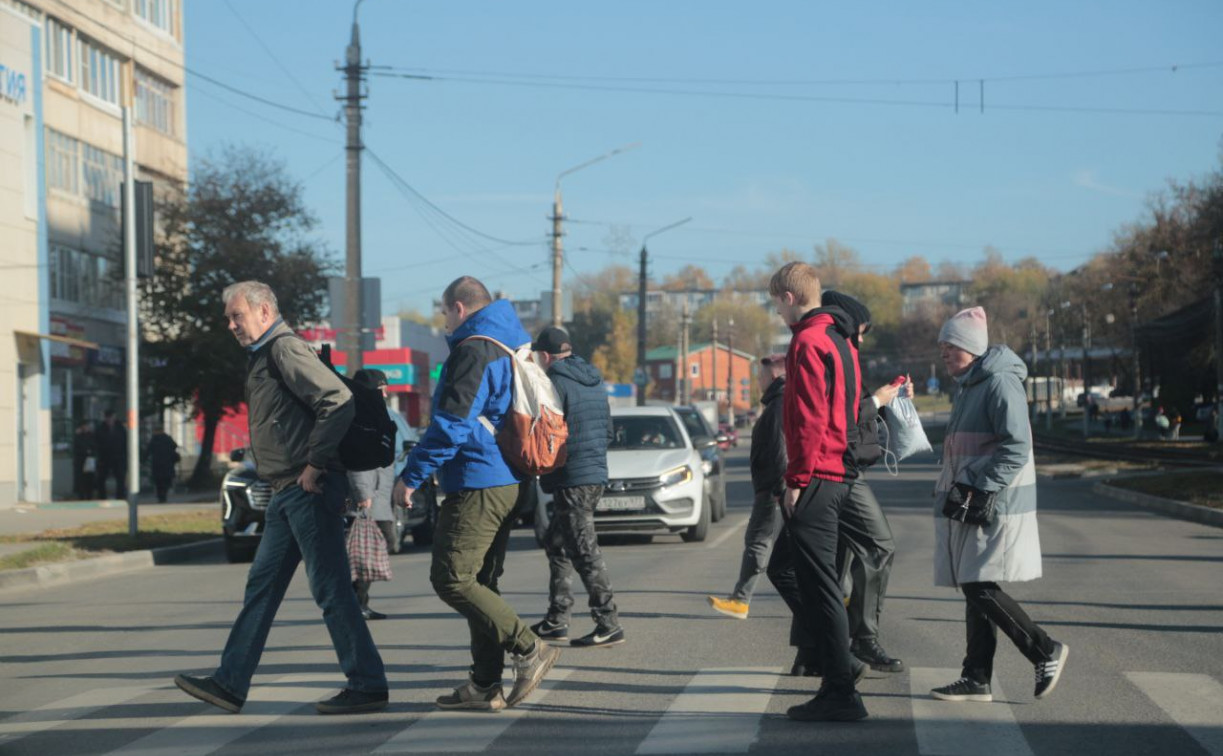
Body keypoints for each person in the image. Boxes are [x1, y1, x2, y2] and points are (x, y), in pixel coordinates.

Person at [174, 280, 388, 716]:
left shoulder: (284, 350)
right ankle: (229, 683)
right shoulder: (262, 357)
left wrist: (315, 463)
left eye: (237, 315)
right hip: (286, 491)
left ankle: (367, 684)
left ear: (265, 312)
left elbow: (338, 400)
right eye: (230, 316)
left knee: (330, 589)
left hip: (308, 487)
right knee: (262, 587)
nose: (230, 324)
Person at [393, 276, 560, 713]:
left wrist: (411, 476)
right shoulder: (507, 343)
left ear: (459, 308)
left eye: (444, 312)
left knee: (451, 577)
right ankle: (485, 684)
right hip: (505, 478)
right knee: (481, 581)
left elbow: (452, 424)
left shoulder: (475, 349)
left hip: (478, 480)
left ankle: (529, 649)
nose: (444, 321)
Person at [930, 307, 1068, 703]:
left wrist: (979, 486)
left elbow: (1016, 447)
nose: (943, 352)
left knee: (978, 584)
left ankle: (1043, 650)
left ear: (971, 348)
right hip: (974, 499)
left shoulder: (999, 383)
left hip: (994, 502)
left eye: (949, 345)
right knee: (976, 583)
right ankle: (976, 677)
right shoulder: (970, 385)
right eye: (941, 346)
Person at [767, 261, 868, 723]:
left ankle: (841, 690)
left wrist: (797, 480)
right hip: (836, 471)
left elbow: (808, 419)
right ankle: (839, 674)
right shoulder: (840, 339)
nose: (776, 312)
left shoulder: (807, 341)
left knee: (822, 586)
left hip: (817, 476)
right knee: (802, 576)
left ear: (788, 297)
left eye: (774, 302)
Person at [819, 290, 905, 675]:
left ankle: (816, 651)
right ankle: (864, 639)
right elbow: (843, 417)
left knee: (833, 564)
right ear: (851, 324)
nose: (864, 339)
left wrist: (884, 402)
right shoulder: (835, 348)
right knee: (879, 545)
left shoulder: (833, 346)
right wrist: (880, 401)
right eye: (863, 330)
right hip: (839, 469)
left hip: (835, 467)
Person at [529, 326, 624, 648]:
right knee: (556, 542)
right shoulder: (594, 380)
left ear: (545, 356)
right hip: (594, 474)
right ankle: (557, 619)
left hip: (572, 478)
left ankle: (608, 622)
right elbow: (609, 431)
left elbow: (548, 432)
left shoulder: (553, 382)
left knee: (584, 552)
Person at [707, 353, 787, 620]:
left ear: (773, 376)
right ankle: (844, 594)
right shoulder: (781, 400)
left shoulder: (779, 405)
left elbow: (780, 450)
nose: (757, 381)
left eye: (760, 376)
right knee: (796, 546)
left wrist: (778, 488)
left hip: (775, 488)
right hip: (776, 486)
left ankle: (741, 600)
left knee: (758, 542)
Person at [347, 368, 398, 621]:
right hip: (368, 500)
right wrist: (363, 493)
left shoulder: (374, 411)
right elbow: (357, 459)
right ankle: (356, 604)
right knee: (363, 555)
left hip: (380, 498)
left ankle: (359, 603)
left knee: (377, 548)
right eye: (381, 388)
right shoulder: (359, 413)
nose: (385, 392)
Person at [95, 410, 127, 499]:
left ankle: (120, 496)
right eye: (108, 418)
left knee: (120, 477)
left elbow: (125, 442)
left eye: (111, 418)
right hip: (104, 457)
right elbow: (97, 442)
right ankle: (102, 496)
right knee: (101, 478)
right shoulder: (100, 428)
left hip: (119, 457)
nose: (109, 420)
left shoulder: (120, 428)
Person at [143, 427, 180, 503]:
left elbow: (148, 451)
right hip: (168, 464)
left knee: (159, 482)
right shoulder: (167, 438)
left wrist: (143, 460)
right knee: (166, 481)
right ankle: (164, 495)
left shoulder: (154, 440)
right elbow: (175, 446)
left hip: (157, 464)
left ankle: (161, 497)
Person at [72, 420, 97, 500]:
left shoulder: (92, 436)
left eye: (87, 426)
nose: (86, 428)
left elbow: (95, 446)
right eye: (84, 426)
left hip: (89, 460)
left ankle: (89, 495)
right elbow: (77, 448)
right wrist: (86, 451)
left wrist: (90, 451)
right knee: (81, 480)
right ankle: (81, 496)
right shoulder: (78, 436)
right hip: (81, 461)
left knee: (89, 479)